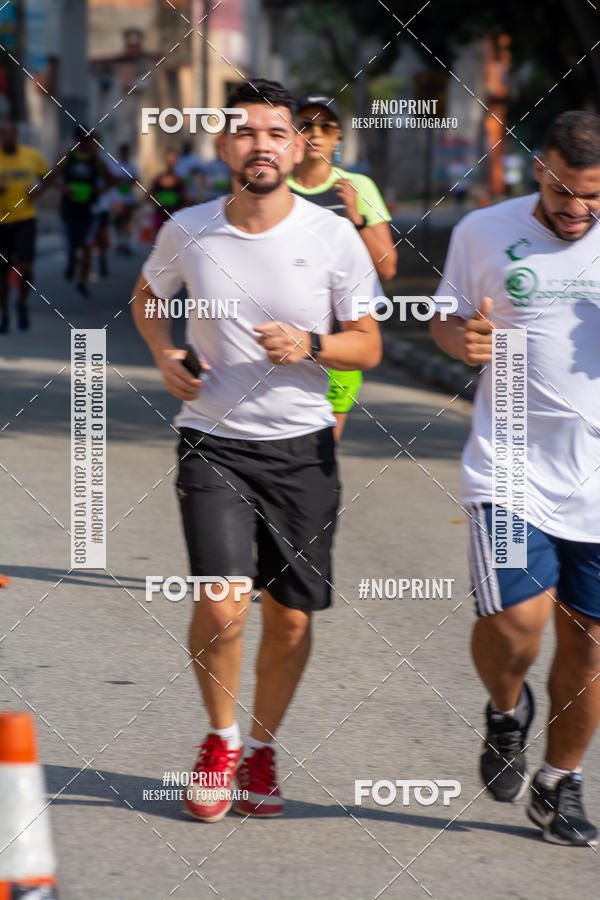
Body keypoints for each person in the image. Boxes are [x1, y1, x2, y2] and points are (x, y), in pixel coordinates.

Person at [132, 78, 382, 822]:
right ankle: (220, 737)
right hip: (213, 441)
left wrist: (310, 345)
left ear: (298, 143)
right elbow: (149, 297)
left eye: (277, 132)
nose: (262, 145)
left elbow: (367, 342)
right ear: (224, 146)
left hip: (303, 447)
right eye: (246, 133)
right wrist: (163, 354)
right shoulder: (189, 228)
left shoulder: (332, 237)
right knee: (221, 606)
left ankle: (263, 751)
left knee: (293, 618)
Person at [430, 110, 600, 846]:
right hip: (510, 465)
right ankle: (506, 712)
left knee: (590, 644)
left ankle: (559, 783)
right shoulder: (484, 232)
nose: (576, 209)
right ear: (540, 168)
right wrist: (458, 337)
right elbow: (444, 316)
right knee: (515, 624)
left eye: (593, 197)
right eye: (564, 191)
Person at [288, 95, 396, 439]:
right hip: (283, 336)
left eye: (326, 126)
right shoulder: (273, 186)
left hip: (340, 340)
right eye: (305, 124)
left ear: (338, 139)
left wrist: (356, 217)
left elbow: (388, 267)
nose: (314, 133)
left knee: (321, 450)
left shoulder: (357, 187)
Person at [57, 125, 118, 297]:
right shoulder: (66, 157)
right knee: (72, 245)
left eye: (88, 139)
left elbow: (111, 180)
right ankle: (70, 261)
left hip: (88, 210)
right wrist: (64, 188)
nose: (87, 143)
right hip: (69, 209)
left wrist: (100, 191)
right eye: (84, 139)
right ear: (77, 140)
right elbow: (52, 177)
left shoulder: (96, 160)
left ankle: (81, 281)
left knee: (86, 245)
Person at [0, 120, 49, 332]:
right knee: (2, 272)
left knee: (26, 267)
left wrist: (37, 192)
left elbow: (47, 177)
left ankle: (21, 302)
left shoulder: (31, 155)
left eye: (11, 133)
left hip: (25, 219)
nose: (9, 137)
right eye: (4, 133)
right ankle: (4, 314)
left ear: (17, 134)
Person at [148, 148, 188, 238]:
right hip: (160, 214)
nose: (171, 161)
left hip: (174, 215)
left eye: (173, 158)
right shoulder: (159, 178)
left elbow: (186, 198)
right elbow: (149, 195)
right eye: (169, 158)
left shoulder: (179, 180)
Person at [111, 143, 139, 256]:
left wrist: (129, 180)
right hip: (118, 198)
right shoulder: (115, 167)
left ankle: (127, 243)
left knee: (127, 221)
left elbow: (137, 180)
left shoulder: (131, 167)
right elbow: (111, 180)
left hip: (128, 198)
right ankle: (119, 243)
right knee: (118, 220)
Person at [174, 139, 202, 204]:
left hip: (190, 187)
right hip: (179, 187)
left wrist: (194, 171)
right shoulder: (179, 157)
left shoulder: (194, 158)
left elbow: (199, 170)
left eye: (187, 147)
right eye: (184, 146)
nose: (185, 148)